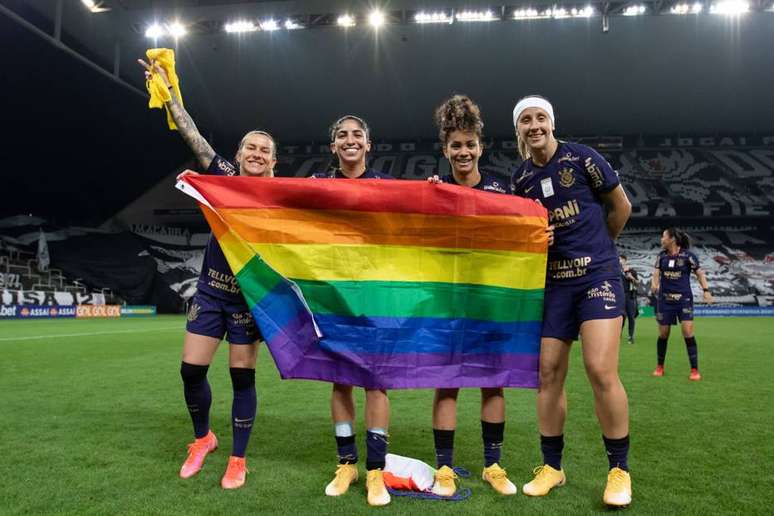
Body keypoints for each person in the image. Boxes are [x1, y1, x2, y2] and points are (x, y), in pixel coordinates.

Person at [138, 57, 277, 489]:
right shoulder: (225, 176)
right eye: (250, 148)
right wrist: (169, 92)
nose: (256, 154)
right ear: (238, 155)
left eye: (264, 150)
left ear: (274, 161)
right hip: (212, 294)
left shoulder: (281, 196)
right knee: (191, 372)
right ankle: (204, 439)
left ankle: (238, 458)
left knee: (242, 377)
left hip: (249, 300)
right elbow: (191, 134)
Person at [510, 95, 634, 507]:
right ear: (519, 130)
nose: (534, 125)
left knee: (600, 369)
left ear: (551, 121)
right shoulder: (521, 179)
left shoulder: (583, 159)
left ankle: (619, 471)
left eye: (540, 117)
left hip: (597, 276)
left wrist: (601, 249)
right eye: (526, 120)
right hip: (554, 285)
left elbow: (621, 206)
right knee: (547, 374)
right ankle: (552, 468)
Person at [422, 95, 518, 497]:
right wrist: (427, 203)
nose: (463, 152)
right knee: (447, 384)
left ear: (481, 146)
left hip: (489, 302)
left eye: (469, 144)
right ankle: (444, 468)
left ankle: (493, 465)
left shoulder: (500, 189)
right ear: (445, 150)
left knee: (493, 384)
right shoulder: (434, 191)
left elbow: (521, 234)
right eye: (455, 145)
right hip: (446, 304)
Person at [314, 115, 394, 507]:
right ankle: (346, 463)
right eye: (342, 135)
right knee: (340, 380)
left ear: (368, 144)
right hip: (333, 297)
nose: (350, 140)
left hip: (376, 298)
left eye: (357, 135)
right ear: (334, 146)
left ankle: (376, 471)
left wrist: (434, 190)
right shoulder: (317, 187)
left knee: (375, 382)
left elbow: (427, 210)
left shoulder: (388, 187)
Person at [650, 228, 713, 380]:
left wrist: (706, 290)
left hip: (684, 299)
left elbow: (699, 273)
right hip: (665, 300)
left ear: (671, 239)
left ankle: (694, 370)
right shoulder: (661, 256)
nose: (661, 239)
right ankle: (660, 367)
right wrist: (654, 284)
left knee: (688, 332)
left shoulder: (688, 256)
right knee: (663, 334)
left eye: (663, 236)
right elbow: (656, 272)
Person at [619, 255, 639, 344]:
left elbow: (638, 283)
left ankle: (631, 337)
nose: (619, 261)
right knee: (620, 317)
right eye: (618, 259)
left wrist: (632, 278)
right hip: (619, 296)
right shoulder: (616, 271)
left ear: (625, 260)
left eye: (620, 259)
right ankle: (618, 335)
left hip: (629, 296)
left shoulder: (632, 271)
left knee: (631, 317)